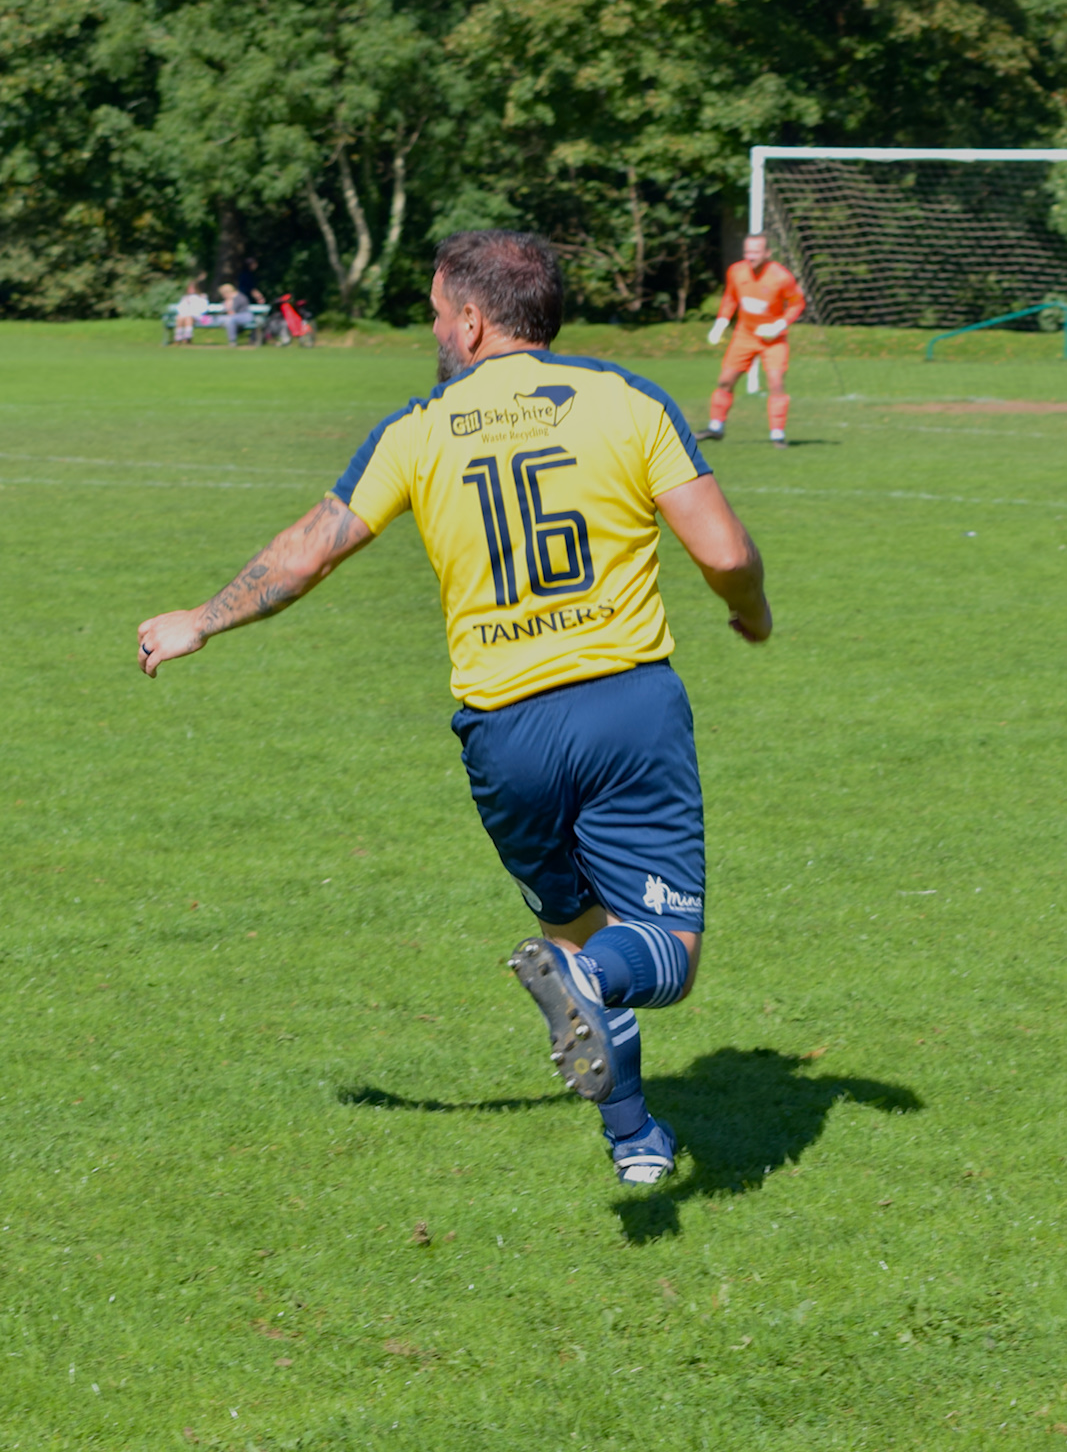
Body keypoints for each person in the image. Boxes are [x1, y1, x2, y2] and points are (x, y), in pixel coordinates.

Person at [136, 231, 772, 1187]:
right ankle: (601, 1003)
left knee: (574, 929)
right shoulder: (623, 399)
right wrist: (751, 615)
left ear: (473, 320)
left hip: (502, 736)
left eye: (437, 311)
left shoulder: (418, 428)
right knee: (659, 957)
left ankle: (635, 1141)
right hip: (624, 708)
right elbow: (722, 553)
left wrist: (203, 619)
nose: (435, 327)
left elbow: (308, 550)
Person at [701, 232, 805, 447]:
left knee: (776, 383)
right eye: (747, 251)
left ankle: (777, 434)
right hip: (744, 334)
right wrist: (720, 323)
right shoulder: (736, 271)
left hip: (773, 340)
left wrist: (779, 325)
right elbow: (731, 297)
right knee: (725, 381)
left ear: (767, 253)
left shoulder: (781, 276)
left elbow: (797, 303)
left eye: (756, 251)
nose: (750, 256)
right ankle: (716, 427)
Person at [219, 282, 254, 346]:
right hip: (234, 317)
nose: (223, 296)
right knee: (227, 319)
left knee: (230, 320)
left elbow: (231, 312)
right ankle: (232, 340)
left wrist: (228, 302)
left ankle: (232, 340)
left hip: (245, 316)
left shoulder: (239, 297)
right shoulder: (230, 299)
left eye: (223, 294)